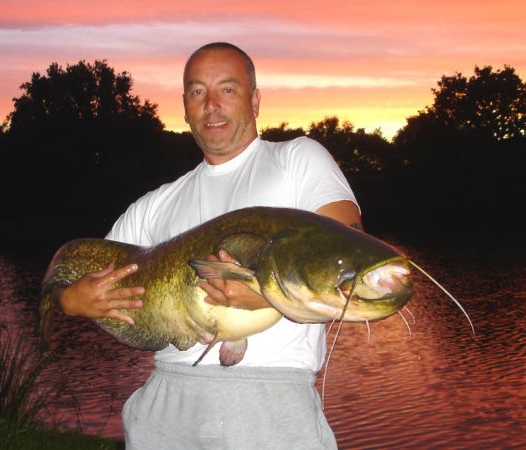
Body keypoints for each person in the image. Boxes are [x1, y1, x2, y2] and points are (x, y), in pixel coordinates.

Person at [58, 42, 362, 449]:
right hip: (166, 405)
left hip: (272, 406)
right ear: (185, 108)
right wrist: (70, 301)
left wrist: (265, 294)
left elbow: (345, 244)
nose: (211, 105)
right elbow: (88, 277)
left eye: (228, 89)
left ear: (255, 100)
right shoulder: (155, 204)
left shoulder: (297, 159)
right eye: (198, 91)